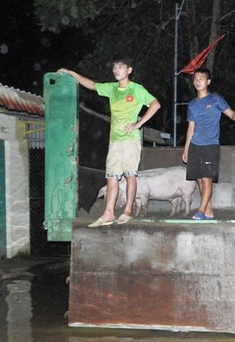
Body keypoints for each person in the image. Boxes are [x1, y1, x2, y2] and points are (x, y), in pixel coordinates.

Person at [59, 57, 161, 227]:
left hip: (130, 140)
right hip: (114, 141)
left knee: (130, 175)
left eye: (120, 67)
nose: (116, 70)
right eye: (114, 67)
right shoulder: (112, 89)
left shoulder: (136, 89)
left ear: (129, 70)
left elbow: (155, 104)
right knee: (111, 177)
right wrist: (71, 73)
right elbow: (91, 85)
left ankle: (128, 210)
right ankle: (108, 213)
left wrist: (138, 123)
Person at [182, 68, 235, 220]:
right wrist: (186, 148)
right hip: (195, 145)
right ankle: (209, 211)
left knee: (207, 179)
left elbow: (231, 114)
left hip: (210, 145)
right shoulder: (192, 105)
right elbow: (191, 127)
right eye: (195, 78)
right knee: (200, 180)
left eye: (201, 78)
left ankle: (200, 210)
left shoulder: (215, 99)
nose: (197, 80)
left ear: (208, 82)